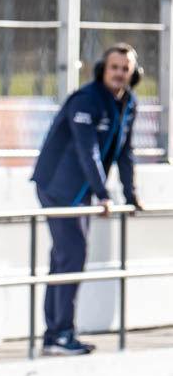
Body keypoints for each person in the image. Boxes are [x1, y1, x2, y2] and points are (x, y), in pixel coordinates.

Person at [29, 42, 142, 355]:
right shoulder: (86, 100)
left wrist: (131, 194)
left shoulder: (128, 104)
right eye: (114, 68)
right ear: (102, 70)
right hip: (58, 187)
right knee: (72, 255)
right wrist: (104, 193)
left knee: (65, 257)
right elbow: (86, 150)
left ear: (133, 74)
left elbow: (125, 153)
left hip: (83, 192)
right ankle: (60, 334)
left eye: (125, 69)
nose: (119, 74)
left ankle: (55, 333)